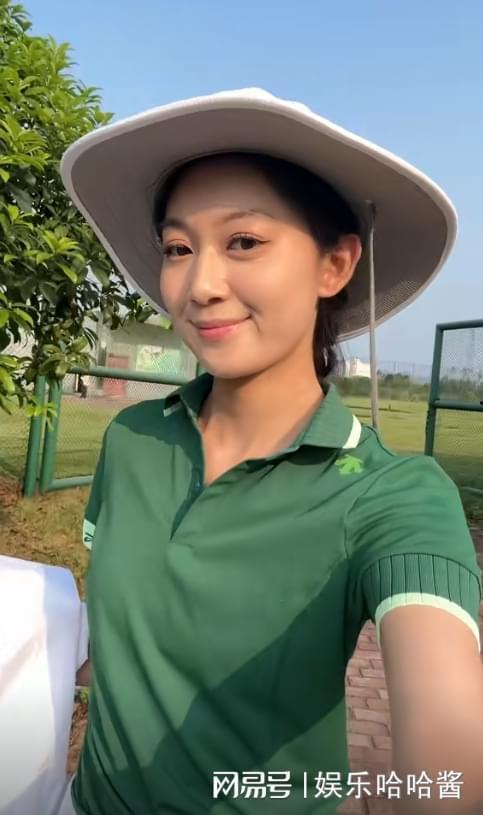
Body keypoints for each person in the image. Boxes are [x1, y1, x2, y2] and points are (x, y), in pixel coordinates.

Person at [60, 89, 483, 815]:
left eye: (244, 242)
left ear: (334, 265)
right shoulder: (133, 439)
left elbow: (449, 760)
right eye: (178, 248)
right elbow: (122, 635)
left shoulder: (392, 496)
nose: (200, 286)